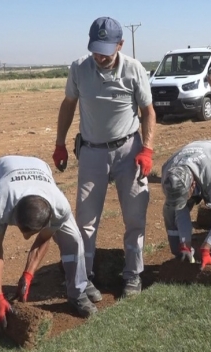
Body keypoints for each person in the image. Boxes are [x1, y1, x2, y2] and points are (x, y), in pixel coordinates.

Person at [53, 16, 156, 297]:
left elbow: (148, 113)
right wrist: (60, 144)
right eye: (95, 49)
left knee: (135, 217)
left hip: (128, 151)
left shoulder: (135, 70)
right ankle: (84, 279)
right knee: (85, 220)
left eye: (106, 49)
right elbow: (68, 104)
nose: (100, 56)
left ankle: (133, 275)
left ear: (120, 45)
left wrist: (147, 150)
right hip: (92, 153)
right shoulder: (79, 69)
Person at [0, 155, 102, 321]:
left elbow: (44, 239)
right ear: (13, 216)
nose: (26, 238)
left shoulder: (59, 206)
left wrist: (28, 274)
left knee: (73, 239)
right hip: (4, 168)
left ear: (48, 219)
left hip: (40, 168)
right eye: (23, 231)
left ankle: (78, 292)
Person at [161, 140, 211, 268]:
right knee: (169, 211)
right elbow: (180, 211)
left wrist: (206, 248)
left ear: (192, 185)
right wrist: (185, 244)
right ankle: (183, 255)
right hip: (196, 160)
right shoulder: (169, 178)